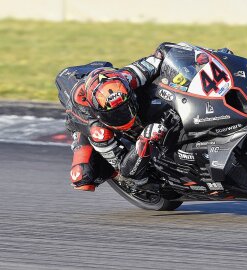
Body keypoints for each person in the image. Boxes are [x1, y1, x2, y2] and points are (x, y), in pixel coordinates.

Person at [56, 42, 233, 192]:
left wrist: (207, 58)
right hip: (85, 127)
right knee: (85, 176)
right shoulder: (97, 130)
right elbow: (124, 170)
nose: (123, 115)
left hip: (102, 87)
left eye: (124, 109)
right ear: (101, 112)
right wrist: (144, 140)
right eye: (116, 114)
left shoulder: (127, 78)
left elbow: (160, 56)